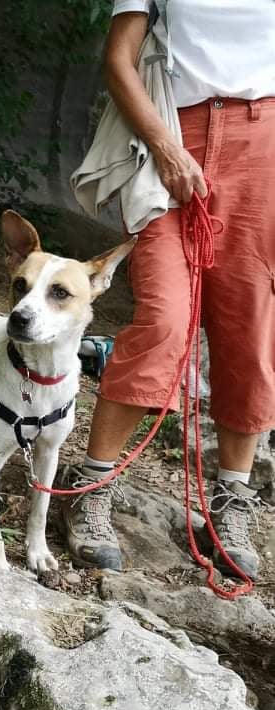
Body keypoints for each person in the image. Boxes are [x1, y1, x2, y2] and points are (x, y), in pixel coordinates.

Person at [61, 0, 275, 580]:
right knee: (164, 319)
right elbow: (119, 59)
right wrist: (166, 148)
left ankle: (230, 500)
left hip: (265, 144)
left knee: (249, 328)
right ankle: (93, 483)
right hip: (174, 133)